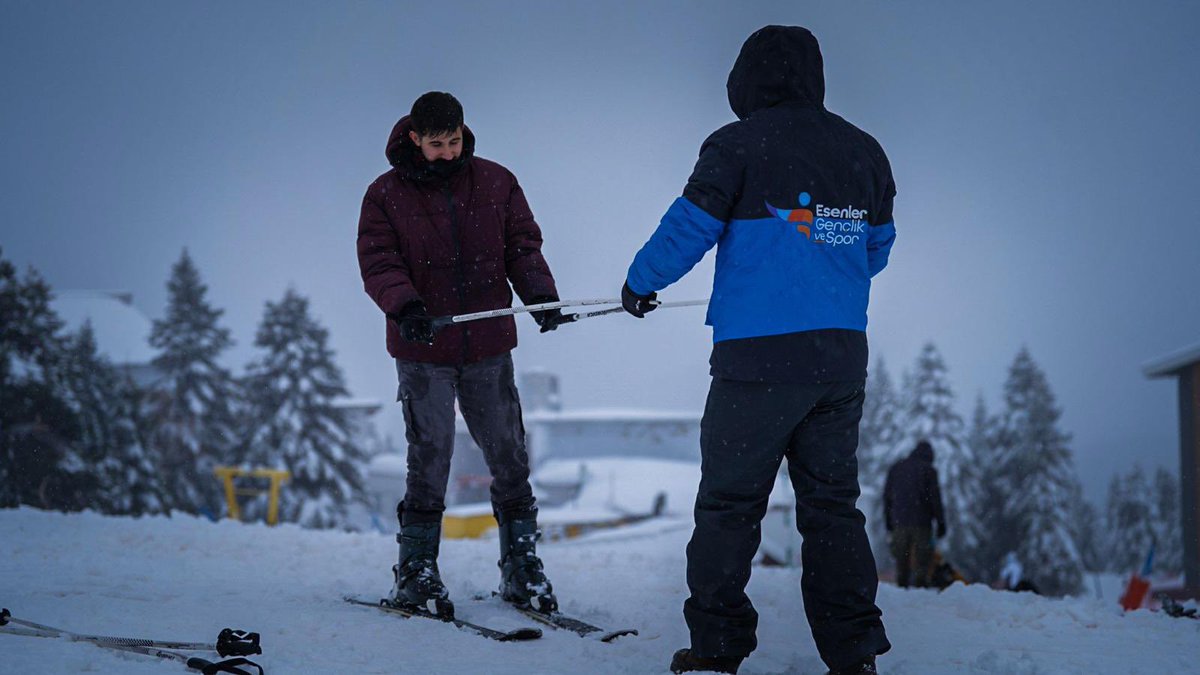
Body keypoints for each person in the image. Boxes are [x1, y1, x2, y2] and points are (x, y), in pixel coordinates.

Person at [621, 26, 897, 675]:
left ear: (746, 81)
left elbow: (690, 225)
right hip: (838, 357)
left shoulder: (736, 145)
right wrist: (820, 269)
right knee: (831, 505)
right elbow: (877, 249)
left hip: (756, 362)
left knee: (730, 502)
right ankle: (854, 651)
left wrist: (639, 283)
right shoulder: (863, 151)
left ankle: (717, 646)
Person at [356, 91, 567, 618]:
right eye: (436, 144)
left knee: (508, 454)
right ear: (414, 139)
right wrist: (404, 305)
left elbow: (522, 245)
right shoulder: (384, 195)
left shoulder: (497, 182)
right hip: (423, 348)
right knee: (431, 458)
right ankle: (417, 573)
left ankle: (522, 567)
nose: (448, 152)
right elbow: (378, 261)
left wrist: (539, 294)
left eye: (453, 141)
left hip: (489, 345)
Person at [883, 440, 947, 589]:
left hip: (899, 521)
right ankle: (920, 590)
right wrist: (941, 522)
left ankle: (901, 587)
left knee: (901, 560)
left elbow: (887, 497)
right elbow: (935, 499)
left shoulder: (897, 468)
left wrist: (888, 520)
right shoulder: (929, 471)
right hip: (922, 523)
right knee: (922, 561)